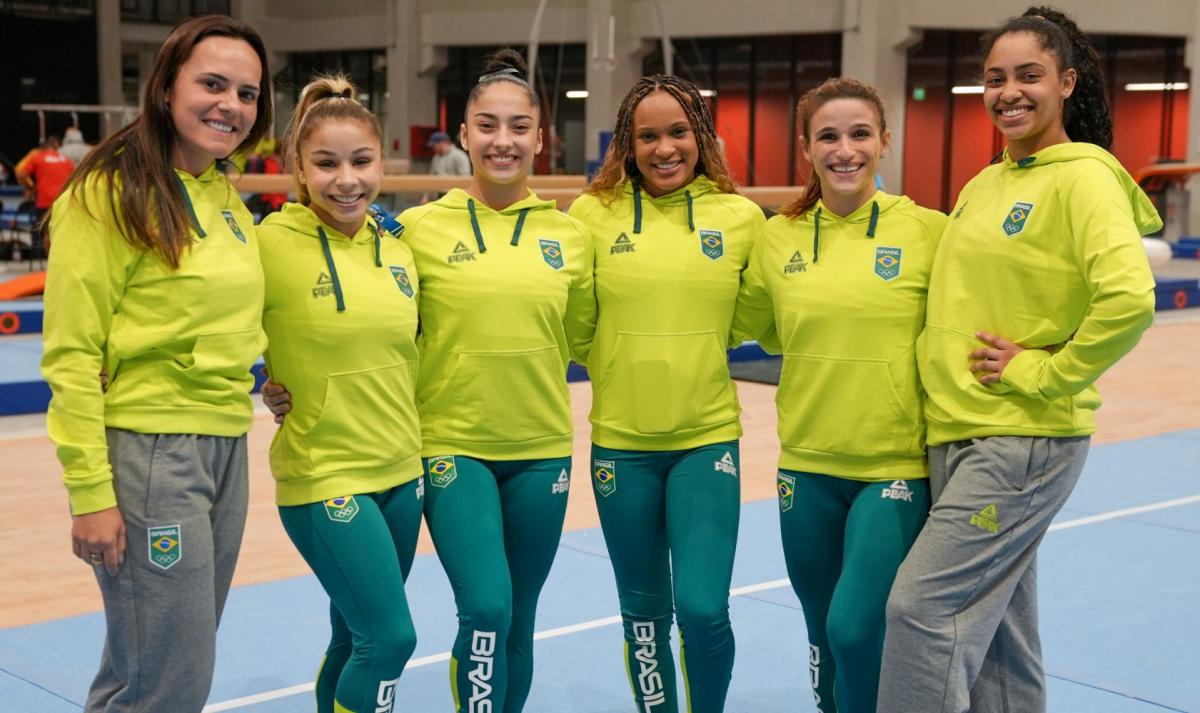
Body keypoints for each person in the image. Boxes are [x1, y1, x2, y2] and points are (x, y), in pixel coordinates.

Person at [263, 48, 595, 713]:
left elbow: (591, 337)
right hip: (446, 446)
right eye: (488, 125)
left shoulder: (567, 235)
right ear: (464, 134)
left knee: (513, 619)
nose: (504, 140)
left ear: (541, 137)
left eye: (520, 126)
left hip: (537, 450)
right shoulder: (412, 229)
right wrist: (272, 375)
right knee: (480, 610)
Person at [878, 8, 1160, 713]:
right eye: (994, 78)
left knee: (920, 611)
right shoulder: (987, 183)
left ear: (1066, 83)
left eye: (1028, 75)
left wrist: (1045, 372)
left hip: (1020, 436)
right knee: (999, 635)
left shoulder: (1085, 179)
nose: (1009, 92)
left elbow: (1129, 298)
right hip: (958, 430)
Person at [40, 15, 272, 712]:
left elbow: (237, 318)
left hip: (225, 442)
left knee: (146, 666)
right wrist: (91, 492)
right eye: (213, 84)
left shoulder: (226, 196)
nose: (231, 104)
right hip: (152, 453)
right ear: (166, 86)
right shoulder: (106, 194)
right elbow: (72, 354)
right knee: (172, 679)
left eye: (247, 93)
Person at [733, 78, 945, 713]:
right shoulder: (778, 237)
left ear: (885, 141)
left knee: (854, 627)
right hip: (805, 465)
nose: (844, 150)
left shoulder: (929, 231)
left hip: (891, 467)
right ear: (806, 148)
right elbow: (755, 324)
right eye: (828, 136)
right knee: (821, 632)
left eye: (859, 134)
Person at [567, 74, 765, 713]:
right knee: (644, 614)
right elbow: (574, 323)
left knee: (704, 610)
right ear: (627, 144)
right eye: (647, 136)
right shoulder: (591, 216)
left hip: (705, 442)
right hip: (622, 447)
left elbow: (751, 317)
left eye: (678, 132)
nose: (664, 148)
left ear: (701, 135)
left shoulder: (738, 218)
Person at [257, 75, 424, 713]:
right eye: (327, 163)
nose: (346, 180)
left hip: (401, 471)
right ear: (299, 168)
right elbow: (211, 319)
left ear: (382, 162)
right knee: (391, 639)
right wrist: (260, 379)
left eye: (361, 161)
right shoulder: (270, 245)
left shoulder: (398, 248)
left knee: (353, 637)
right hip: (325, 472)